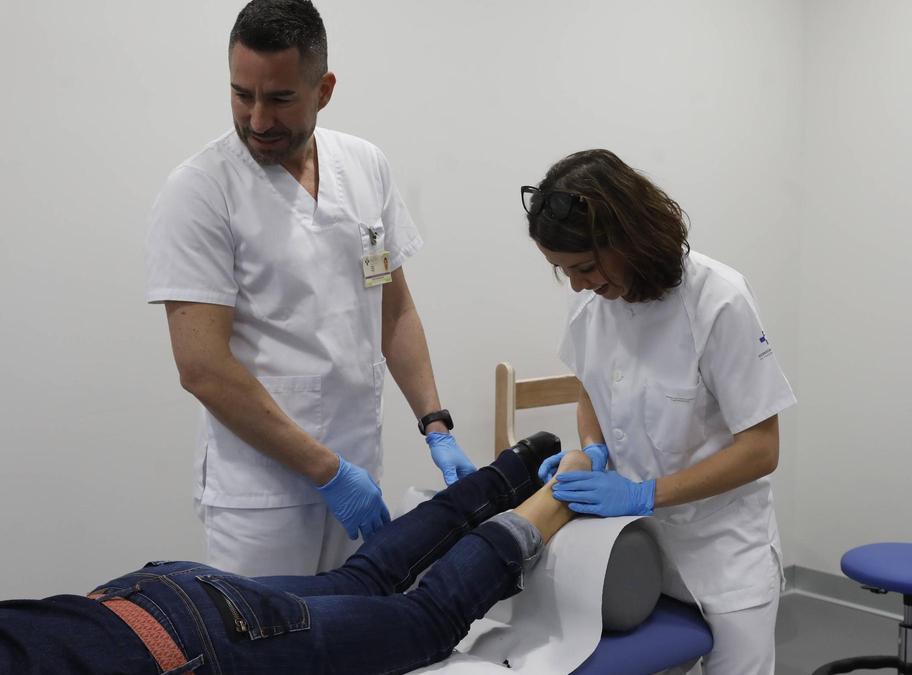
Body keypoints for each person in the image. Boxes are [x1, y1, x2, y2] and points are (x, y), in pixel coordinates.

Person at [145, 0, 476, 578]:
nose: (257, 120)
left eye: (279, 99)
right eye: (241, 95)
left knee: (360, 642)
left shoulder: (365, 165)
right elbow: (202, 368)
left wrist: (435, 423)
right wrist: (327, 471)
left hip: (358, 470)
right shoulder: (200, 191)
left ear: (323, 89)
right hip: (262, 494)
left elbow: (392, 310)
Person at [524, 149, 797, 674]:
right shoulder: (589, 301)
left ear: (629, 236)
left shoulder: (719, 301)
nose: (577, 284)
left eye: (583, 267)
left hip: (722, 556)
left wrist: (645, 493)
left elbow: (762, 450)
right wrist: (594, 451)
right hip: (635, 554)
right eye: (562, 272)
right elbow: (591, 388)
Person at [0, 435, 583, 674]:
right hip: (144, 598)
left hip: (191, 644)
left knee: (428, 619)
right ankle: (517, 465)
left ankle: (557, 490)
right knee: (363, 578)